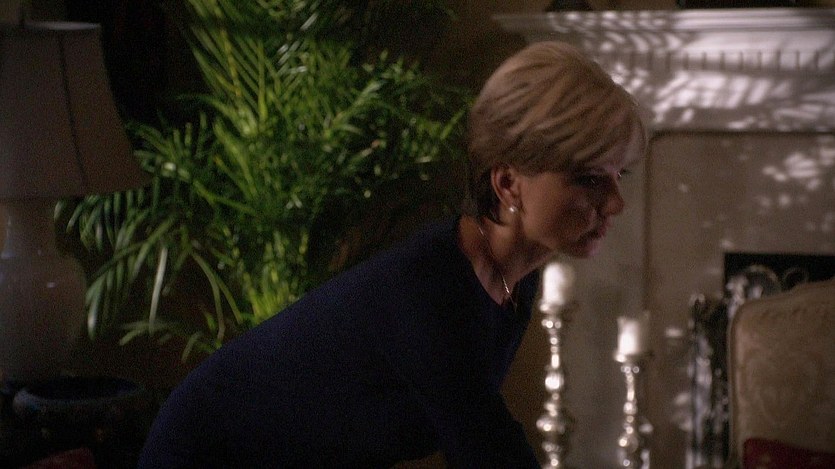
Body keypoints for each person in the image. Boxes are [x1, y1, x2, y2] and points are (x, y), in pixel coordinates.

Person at [138, 41, 647, 468]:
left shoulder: (514, 277)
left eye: (618, 175)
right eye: (589, 179)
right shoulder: (431, 286)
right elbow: (486, 448)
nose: (616, 203)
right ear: (508, 182)